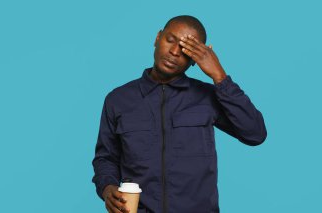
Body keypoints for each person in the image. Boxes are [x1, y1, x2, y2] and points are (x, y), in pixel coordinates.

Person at [92, 15, 267, 213]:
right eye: (170, 40)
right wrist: (107, 189)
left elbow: (255, 133)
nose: (174, 52)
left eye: (186, 50)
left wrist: (220, 76)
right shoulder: (118, 99)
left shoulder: (207, 97)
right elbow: (105, 158)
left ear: (195, 59)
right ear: (158, 38)